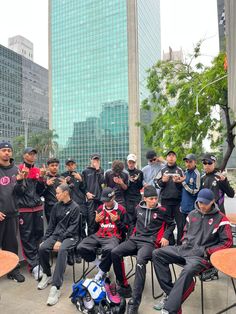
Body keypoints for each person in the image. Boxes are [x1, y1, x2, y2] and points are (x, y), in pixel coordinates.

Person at [152, 188, 233, 314]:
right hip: (185, 249)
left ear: (212, 201)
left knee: (188, 270)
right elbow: (185, 232)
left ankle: (170, 308)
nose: (202, 206)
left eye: (205, 203)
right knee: (157, 254)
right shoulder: (192, 214)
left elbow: (227, 243)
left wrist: (207, 251)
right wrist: (184, 242)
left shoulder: (221, 219)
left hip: (202, 256)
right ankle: (171, 293)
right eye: (200, 202)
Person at [111, 186, 175, 314]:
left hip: (149, 242)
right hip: (135, 240)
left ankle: (134, 303)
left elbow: (172, 224)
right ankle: (124, 285)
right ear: (144, 198)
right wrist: (130, 235)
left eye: (156, 198)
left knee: (140, 261)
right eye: (151, 199)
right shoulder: (138, 208)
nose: (154, 201)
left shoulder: (162, 210)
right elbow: (133, 222)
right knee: (115, 252)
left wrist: (165, 236)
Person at [37, 184, 80, 306]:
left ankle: (56, 287)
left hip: (71, 237)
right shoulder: (56, 206)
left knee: (62, 250)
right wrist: (45, 239)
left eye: (58, 193)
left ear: (66, 193)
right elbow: (51, 226)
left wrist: (60, 240)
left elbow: (73, 228)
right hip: (57, 235)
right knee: (42, 248)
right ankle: (47, 274)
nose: (56, 195)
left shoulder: (75, 207)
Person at [77, 187, 127, 282]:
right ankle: (100, 265)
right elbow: (94, 229)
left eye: (108, 201)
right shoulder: (100, 208)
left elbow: (126, 229)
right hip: (99, 235)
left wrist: (117, 222)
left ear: (113, 198)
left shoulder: (121, 209)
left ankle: (101, 273)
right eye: (104, 201)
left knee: (110, 249)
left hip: (113, 236)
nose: (106, 203)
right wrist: (96, 221)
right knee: (80, 247)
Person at [14, 147, 46, 280]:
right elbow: (17, 192)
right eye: (30, 154)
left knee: (39, 235)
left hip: (38, 208)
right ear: (24, 155)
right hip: (24, 210)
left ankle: (40, 262)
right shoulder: (18, 169)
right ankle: (33, 266)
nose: (32, 156)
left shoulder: (38, 170)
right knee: (27, 238)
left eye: (34, 154)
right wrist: (21, 179)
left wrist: (42, 178)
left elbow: (40, 192)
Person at [0, 141, 25, 282]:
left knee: (11, 245)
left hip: (12, 214)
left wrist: (20, 181)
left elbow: (20, 193)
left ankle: (13, 271)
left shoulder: (16, 170)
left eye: (8, 150)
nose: (6, 153)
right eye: (3, 150)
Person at [154, 151, 185, 245]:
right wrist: (163, 181)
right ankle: (169, 244)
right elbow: (156, 184)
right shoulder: (163, 170)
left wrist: (178, 182)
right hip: (165, 202)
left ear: (175, 158)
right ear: (166, 158)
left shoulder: (180, 170)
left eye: (173, 156)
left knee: (180, 225)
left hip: (178, 202)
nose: (171, 157)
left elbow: (184, 185)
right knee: (167, 224)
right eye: (169, 156)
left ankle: (179, 246)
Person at [61, 158, 87, 239]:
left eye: (72, 164)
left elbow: (85, 189)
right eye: (68, 165)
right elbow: (61, 191)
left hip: (81, 204)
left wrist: (81, 180)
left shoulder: (80, 175)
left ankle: (82, 246)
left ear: (75, 165)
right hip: (69, 205)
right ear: (66, 166)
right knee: (70, 226)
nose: (70, 166)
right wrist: (65, 183)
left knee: (82, 226)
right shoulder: (63, 176)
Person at [82, 153, 104, 235]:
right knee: (91, 222)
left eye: (97, 160)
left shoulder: (101, 170)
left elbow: (103, 183)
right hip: (91, 200)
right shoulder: (85, 171)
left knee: (101, 221)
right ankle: (90, 241)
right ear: (91, 160)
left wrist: (98, 170)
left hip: (100, 200)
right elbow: (83, 186)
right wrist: (87, 193)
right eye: (94, 159)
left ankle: (100, 239)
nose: (96, 161)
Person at [180, 153, 200, 228]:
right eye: (186, 162)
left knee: (192, 229)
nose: (188, 164)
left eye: (190, 162)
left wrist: (184, 183)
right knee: (183, 229)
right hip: (183, 207)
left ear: (195, 162)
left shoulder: (197, 174)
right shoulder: (185, 172)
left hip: (192, 208)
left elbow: (195, 191)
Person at [41, 158, 62, 223]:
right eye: (52, 165)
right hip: (50, 207)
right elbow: (40, 193)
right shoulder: (44, 178)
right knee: (51, 228)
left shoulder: (62, 178)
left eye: (56, 165)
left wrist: (66, 186)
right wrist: (46, 184)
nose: (55, 167)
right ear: (48, 167)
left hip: (62, 207)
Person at [125, 154, 143, 226]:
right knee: (128, 216)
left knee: (136, 215)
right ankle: (129, 233)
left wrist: (137, 180)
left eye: (133, 162)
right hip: (127, 197)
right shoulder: (125, 172)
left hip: (136, 197)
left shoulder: (139, 172)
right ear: (127, 162)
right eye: (130, 162)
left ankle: (135, 233)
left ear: (135, 163)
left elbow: (140, 187)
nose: (131, 164)